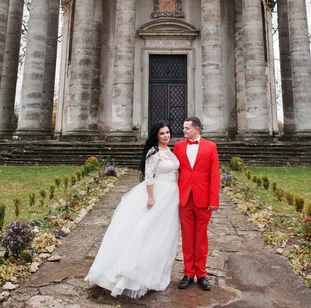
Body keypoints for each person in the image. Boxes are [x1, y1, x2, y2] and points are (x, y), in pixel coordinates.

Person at [85, 122, 179, 299]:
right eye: (162, 133)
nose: (166, 135)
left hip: (170, 197)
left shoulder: (170, 151)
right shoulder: (153, 152)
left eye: (168, 132)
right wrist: (151, 198)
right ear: (156, 136)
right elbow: (149, 176)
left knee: (162, 235)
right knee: (145, 231)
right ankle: (131, 274)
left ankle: (154, 270)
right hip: (158, 195)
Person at [173, 116, 220, 292]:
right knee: (186, 237)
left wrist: (213, 200)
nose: (183, 131)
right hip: (185, 199)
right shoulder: (177, 147)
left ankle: (201, 274)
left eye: (187, 128)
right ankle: (187, 273)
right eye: (184, 128)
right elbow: (172, 169)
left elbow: (214, 175)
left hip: (204, 200)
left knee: (201, 238)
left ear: (197, 130)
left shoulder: (211, 147)